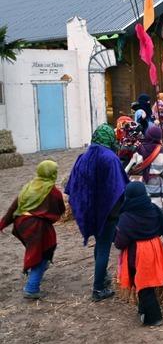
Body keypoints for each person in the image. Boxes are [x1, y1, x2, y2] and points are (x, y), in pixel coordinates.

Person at [65, 124, 128, 301]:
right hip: (108, 212)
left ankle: (102, 277)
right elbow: (119, 187)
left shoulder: (84, 156)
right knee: (104, 248)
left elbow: (73, 186)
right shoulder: (110, 158)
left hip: (90, 210)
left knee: (99, 245)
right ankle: (98, 288)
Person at [0, 161, 65, 299]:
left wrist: (2, 224)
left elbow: (14, 208)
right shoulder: (53, 192)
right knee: (43, 253)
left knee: (37, 251)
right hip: (36, 227)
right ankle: (31, 288)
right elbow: (60, 211)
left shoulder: (29, 187)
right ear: (52, 174)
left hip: (21, 225)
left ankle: (36, 270)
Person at [114, 182, 163, 326]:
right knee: (145, 283)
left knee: (143, 285)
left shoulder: (127, 216)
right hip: (154, 248)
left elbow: (120, 242)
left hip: (139, 252)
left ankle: (154, 318)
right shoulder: (152, 208)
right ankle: (143, 311)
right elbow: (162, 226)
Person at [125, 125, 163, 211]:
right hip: (157, 184)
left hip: (139, 185)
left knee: (140, 210)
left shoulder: (138, 150)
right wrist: (161, 173)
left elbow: (127, 169)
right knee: (156, 210)